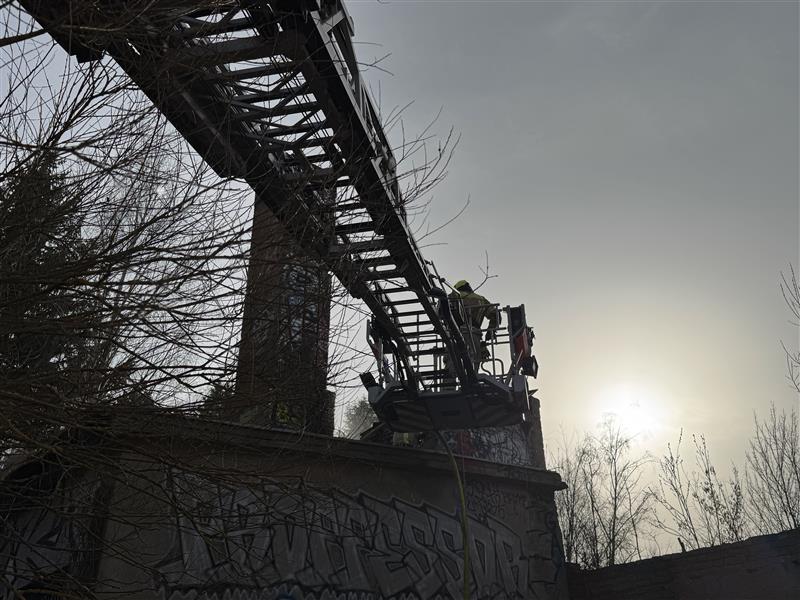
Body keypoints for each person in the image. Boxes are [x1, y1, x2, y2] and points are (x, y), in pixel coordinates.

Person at [448, 280, 500, 370]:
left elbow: (441, 312)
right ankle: (472, 380)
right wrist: (491, 331)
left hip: (454, 333)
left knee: (452, 362)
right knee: (473, 363)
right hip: (474, 335)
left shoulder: (452, 296)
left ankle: (449, 382)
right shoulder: (481, 299)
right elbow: (495, 315)